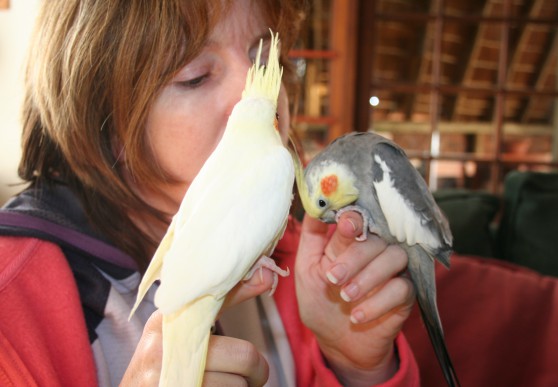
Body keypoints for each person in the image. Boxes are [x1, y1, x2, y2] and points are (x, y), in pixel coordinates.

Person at [0, 0, 420, 386]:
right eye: (194, 76)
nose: (255, 93)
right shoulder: (14, 300)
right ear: (108, 128)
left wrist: (353, 367)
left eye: (263, 59)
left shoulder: (300, 258)